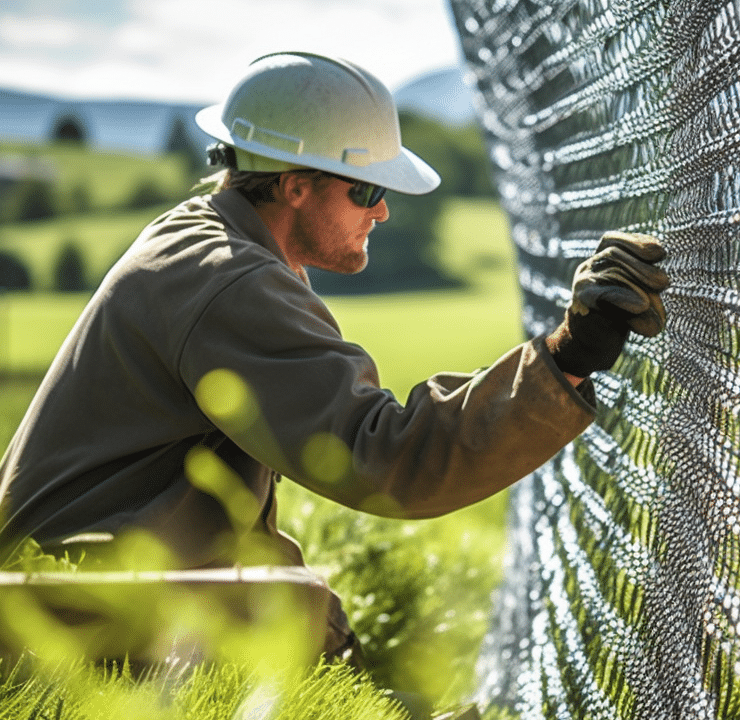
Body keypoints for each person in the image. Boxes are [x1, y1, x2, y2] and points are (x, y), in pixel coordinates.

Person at [0, 52, 669, 682]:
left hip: (71, 587)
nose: (382, 210)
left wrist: (339, 645)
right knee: (294, 608)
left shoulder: (206, 241)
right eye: (367, 189)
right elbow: (387, 458)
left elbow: (237, 526)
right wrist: (569, 357)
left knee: (310, 614)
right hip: (69, 609)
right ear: (295, 186)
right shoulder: (232, 282)